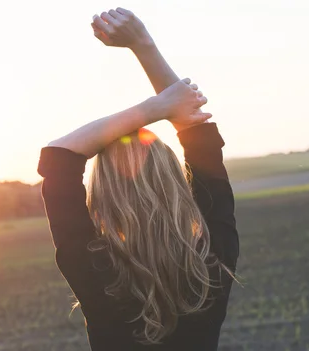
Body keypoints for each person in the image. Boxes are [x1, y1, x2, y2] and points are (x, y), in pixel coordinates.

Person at [36, 8, 239, 351]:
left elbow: (59, 158)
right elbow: (197, 130)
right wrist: (143, 44)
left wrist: (155, 108)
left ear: (102, 196)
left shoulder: (93, 267)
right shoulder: (212, 258)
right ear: (175, 180)